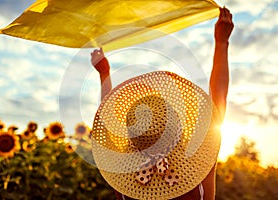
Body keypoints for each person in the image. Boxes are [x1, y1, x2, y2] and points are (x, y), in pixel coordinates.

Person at [90, 7, 234, 200]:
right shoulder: (196, 166)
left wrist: (104, 74)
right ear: (178, 126)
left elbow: (107, 126)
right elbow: (218, 99)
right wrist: (222, 42)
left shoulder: (124, 180)